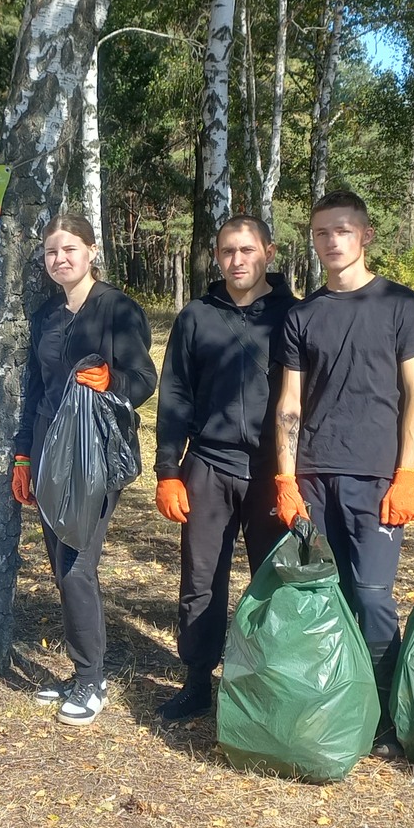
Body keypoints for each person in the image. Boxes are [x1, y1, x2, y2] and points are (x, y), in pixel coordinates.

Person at [271, 190, 414, 752]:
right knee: (321, 590)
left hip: (376, 477)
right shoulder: (302, 315)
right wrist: (286, 478)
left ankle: (383, 712)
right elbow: (290, 402)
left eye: (342, 230)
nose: (331, 241)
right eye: (321, 233)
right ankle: (332, 700)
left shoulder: (401, 306)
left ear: (365, 235)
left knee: (370, 594)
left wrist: (408, 474)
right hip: (314, 476)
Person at [11, 213, 156, 727]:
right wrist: (23, 454)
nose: (61, 259)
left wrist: (111, 379)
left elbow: (144, 379)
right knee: (59, 561)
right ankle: (80, 673)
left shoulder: (117, 308)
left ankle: (92, 679)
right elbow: (34, 390)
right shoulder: (46, 316)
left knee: (77, 561)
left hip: (94, 452)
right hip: (50, 449)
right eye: (52, 252)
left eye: (70, 249)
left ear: (91, 251)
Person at [152, 215, 295, 722]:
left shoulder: (293, 316)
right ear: (217, 257)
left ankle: (268, 681)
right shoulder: (196, 316)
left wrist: (294, 475)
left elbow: (307, 400)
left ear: (269, 254)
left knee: (274, 580)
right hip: (208, 465)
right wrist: (168, 469)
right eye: (228, 251)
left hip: (270, 470)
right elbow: (174, 396)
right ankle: (196, 680)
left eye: (247, 250)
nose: (237, 260)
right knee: (201, 580)